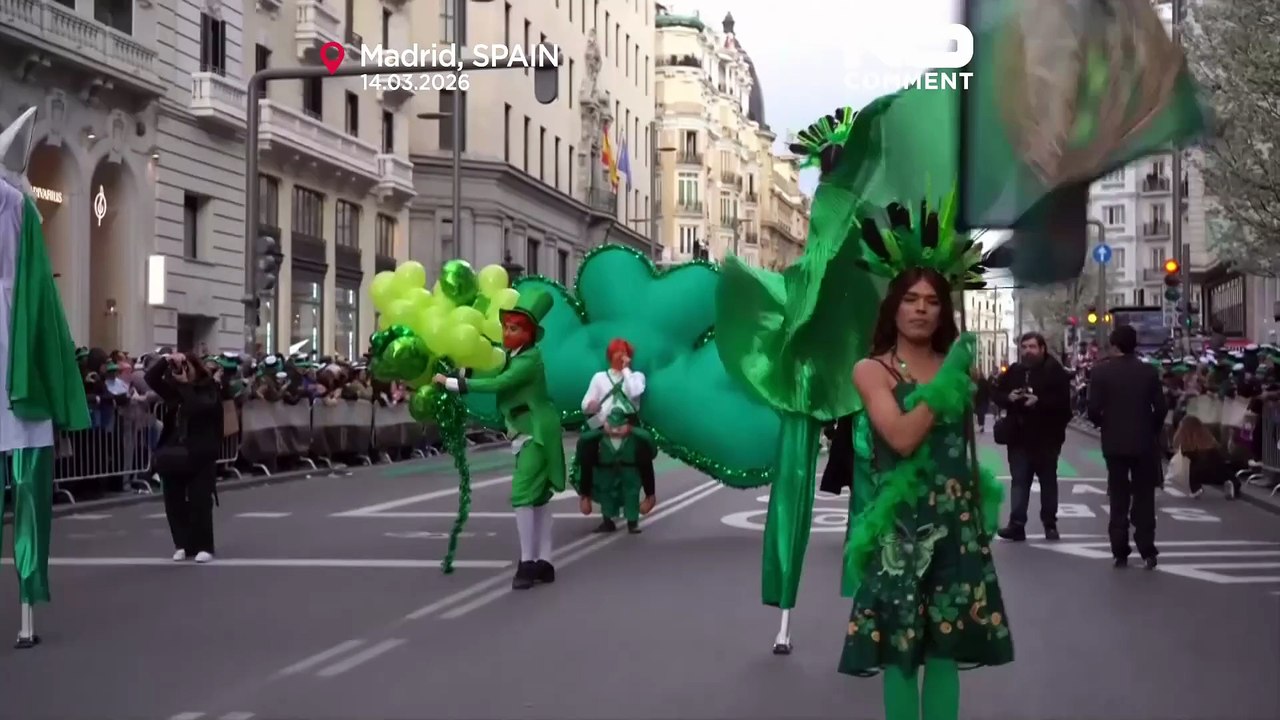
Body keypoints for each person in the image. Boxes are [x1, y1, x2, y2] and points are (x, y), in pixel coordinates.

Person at [842, 262, 1013, 720]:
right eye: (911, 299)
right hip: (900, 530)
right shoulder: (871, 370)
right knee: (899, 652)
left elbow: (959, 447)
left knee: (945, 650)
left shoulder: (954, 366)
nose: (921, 309)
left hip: (955, 526)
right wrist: (947, 379)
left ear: (943, 312)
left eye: (933, 301)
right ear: (894, 308)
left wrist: (982, 498)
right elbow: (901, 438)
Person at [434, 289, 567, 590]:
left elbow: (499, 382)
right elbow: (492, 370)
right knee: (538, 497)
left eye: (514, 328)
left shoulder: (529, 360)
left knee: (523, 494)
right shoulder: (513, 357)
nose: (507, 332)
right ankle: (544, 562)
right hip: (525, 432)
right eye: (506, 327)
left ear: (529, 334)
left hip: (536, 434)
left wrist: (453, 383)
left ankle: (528, 563)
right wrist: (463, 367)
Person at [1087, 324, 1167, 569]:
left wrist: (1104, 423)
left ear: (1114, 345)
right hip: (1143, 441)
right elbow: (1161, 408)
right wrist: (1151, 428)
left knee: (1118, 495)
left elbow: (1092, 409)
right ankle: (1147, 548)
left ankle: (1119, 549)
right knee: (1144, 496)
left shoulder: (1101, 372)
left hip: (1114, 442)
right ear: (1135, 344)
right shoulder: (1148, 372)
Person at [992, 332, 1072, 541]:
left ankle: (1050, 524)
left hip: (1046, 438)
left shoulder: (1055, 372)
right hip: (1019, 436)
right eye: (1024, 347)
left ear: (1042, 348)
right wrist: (1009, 398)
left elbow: (1064, 407)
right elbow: (997, 393)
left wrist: (1039, 401)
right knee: (1019, 481)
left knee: (1048, 482)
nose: (1027, 351)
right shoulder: (1015, 370)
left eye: (1032, 347)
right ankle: (1017, 524)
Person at [147, 351, 224, 564]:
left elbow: (197, 407)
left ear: (196, 368)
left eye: (186, 366)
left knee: (200, 500)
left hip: (201, 452)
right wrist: (166, 360)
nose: (182, 371)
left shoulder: (209, 388)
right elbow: (151, 379)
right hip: (174, 451)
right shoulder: (174, 390)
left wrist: (184, 385)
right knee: (174, 501)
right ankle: (182, 544)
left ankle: (204, 546)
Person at [575, 338, 657, 533]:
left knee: (643, 454)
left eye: (624, 352)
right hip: (603, 423)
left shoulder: (636, 376)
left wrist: (626, 370)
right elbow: (585, 403)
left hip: (629, 423)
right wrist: (590, 406)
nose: (621, 356)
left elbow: (635, 392)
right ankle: (586, 496)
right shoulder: (599, 378)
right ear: (609, 355)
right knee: (586, 448)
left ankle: (649, 496)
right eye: (617, 352)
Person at [1171, 415, 1239, 499]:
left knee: (1189, 471)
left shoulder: (1182, 435)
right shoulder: (1204, 433)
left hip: (1196, 470)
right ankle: (1233, 484)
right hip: (1213, 463)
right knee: (1226, 474)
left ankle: (1195, 488)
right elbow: (1216, 445)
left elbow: (1175, 446)